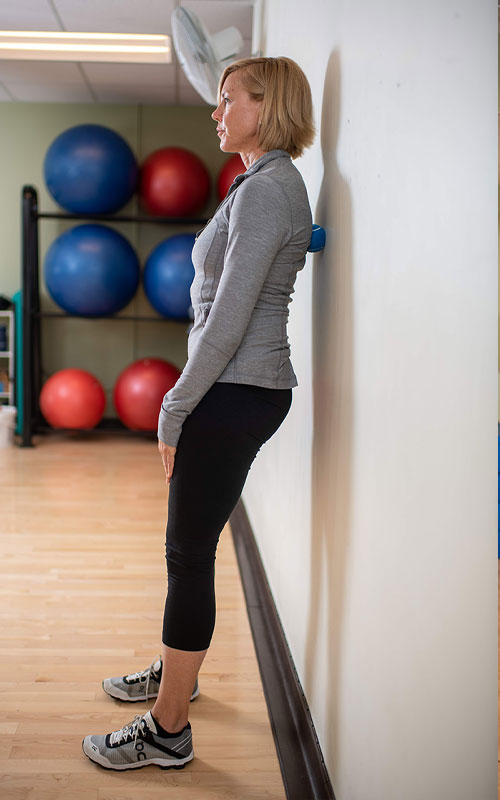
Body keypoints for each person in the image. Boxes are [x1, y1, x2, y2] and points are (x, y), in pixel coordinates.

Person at [82, 55, 315, 771]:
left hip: (236, 388)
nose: (216, 112)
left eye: (226, 99)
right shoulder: (259, 184)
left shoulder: (270, 190)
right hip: (241, 385)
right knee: (191, 550)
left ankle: (169, 727)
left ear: (264, 105)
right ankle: (174, 675)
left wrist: (173, 407)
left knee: (187, 554)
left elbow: (228, 319)